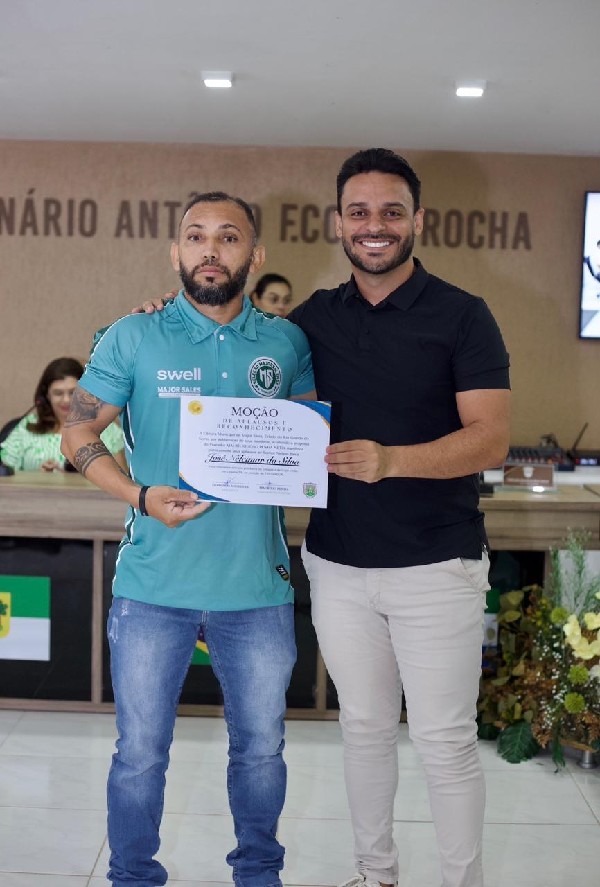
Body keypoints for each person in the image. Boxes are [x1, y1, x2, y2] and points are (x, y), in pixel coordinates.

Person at [135, 149, 511, 887]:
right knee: (364, 729)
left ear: (417, 220)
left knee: (444, 738)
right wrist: (166, 317)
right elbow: (239, 350)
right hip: (337, 564)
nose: (375, 226)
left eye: (391, 211)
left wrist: (391, 461)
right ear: (339, 223)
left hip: (438, 564)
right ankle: (376, 874)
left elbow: (490, 439)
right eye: (359, 212)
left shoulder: (463, 315)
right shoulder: (309, 322)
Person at [60, 191, 316, 887]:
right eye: (196, 236)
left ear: (255, 256)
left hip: (257, 588)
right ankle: (132, 877)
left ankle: (258, 874)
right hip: (153, 586)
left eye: (229, 237)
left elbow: (304, 446)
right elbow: (77, 431)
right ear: (175, 253)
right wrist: (139, 495)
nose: (211, 249)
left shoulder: (287, 343)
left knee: (261, 751)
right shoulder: (131, 336)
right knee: (140, 754)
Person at [0, 356, 125, 472]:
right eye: (58, 393)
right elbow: (4, 475)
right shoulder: (26, 427)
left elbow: (121, 479)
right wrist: (38, 477)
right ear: (46, 395)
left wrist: (75, 477)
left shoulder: (107, 430)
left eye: (73, 392)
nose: (66, 400)